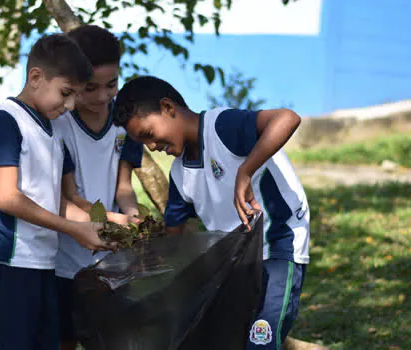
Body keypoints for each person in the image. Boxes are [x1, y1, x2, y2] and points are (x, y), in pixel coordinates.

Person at [112, 76, 310, 350]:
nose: (152, 146)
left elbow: (287, 118)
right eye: (143, 143)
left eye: (148, 134)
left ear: (168, 107)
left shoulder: (222, 127)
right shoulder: (181, 176)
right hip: (238, 264)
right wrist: (140, 259)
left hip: (278, 248)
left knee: (261, 342)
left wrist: (246, 170)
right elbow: (173, 235)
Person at [0, 33, 115, 350]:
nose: (71, 105)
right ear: (36, 77)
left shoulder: (51, 131)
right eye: (65, 93)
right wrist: (74, 230)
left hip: (42, 264)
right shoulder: (6, 121)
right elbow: (8, 198)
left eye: (75, 95)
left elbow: (61, 203)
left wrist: (114, 223)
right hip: (6, 262)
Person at [52, 25, 144, 350]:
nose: (102, 97)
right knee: (64, 339)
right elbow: (67, 198)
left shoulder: (124, 122)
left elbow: (124, 188)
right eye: (90, 88)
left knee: (113, 339)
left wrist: (132, 214)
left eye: (112, 85)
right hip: (64, 261)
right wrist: (110, 222)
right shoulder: (58, 125)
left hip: (112, 262)